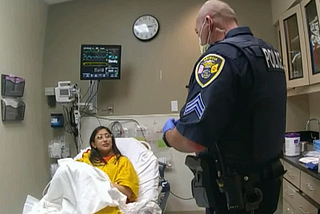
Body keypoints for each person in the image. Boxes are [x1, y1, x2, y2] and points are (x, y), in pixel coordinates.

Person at [162, 0, 286, 214]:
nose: (199, 38)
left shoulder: (220, 57)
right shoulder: (269, 52)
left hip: (235, 193)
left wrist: (168, 134)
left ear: (208, 23)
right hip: (268, 185)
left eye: (197, 32)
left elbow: (192, 140)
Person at [77, 126, 139, 214]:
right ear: (94, 144)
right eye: (100, 137)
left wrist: (102, 184)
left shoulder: (122, 162)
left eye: (107, 136)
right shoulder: (86, 160)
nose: (105, 140)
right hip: (87, 203)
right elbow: (74, 179)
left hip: (111, 205)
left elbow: (127, 192)